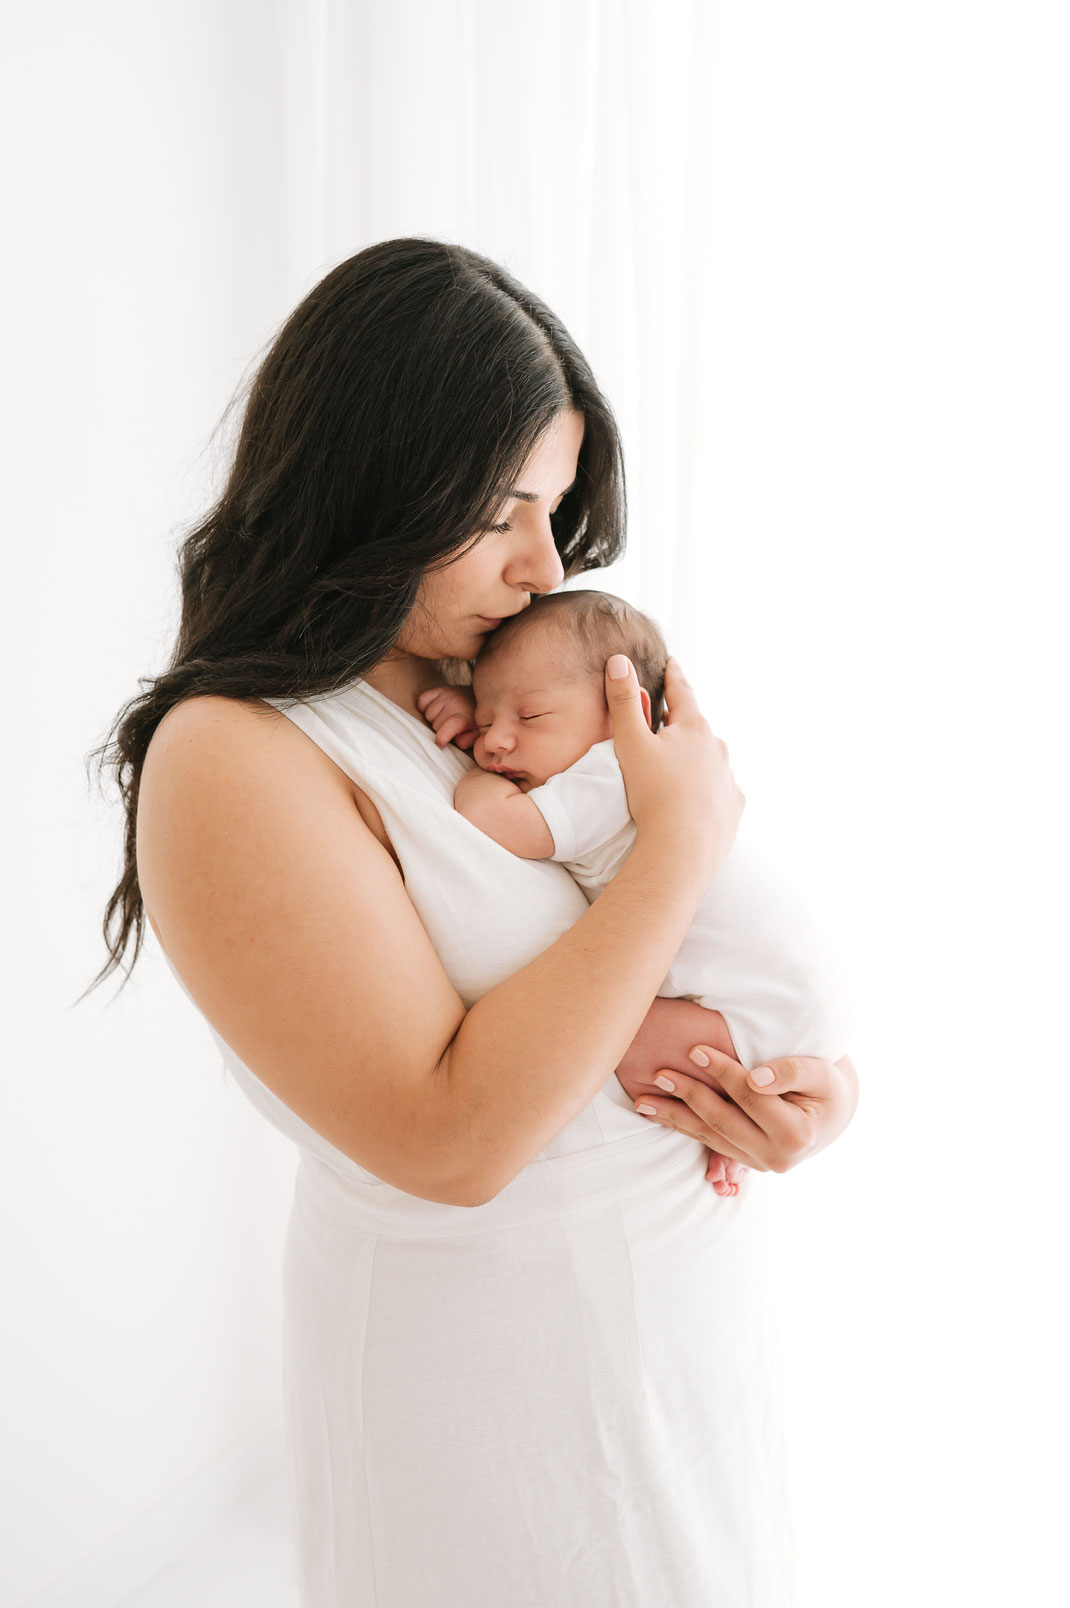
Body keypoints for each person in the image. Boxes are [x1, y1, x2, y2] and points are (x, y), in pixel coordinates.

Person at [92, 238, 858, 1607]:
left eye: (555, 513)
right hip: (484, 1408)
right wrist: (681, 839)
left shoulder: (495, 682)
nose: (540, 563)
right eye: (500, 510)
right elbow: (449, 1137)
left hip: (678, 1361)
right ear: (372, 480)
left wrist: (800, 1084)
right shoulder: (234, 755)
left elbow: (694, 943)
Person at [416, 587, 853, 1198]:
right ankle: (723, 1129)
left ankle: (718, 1127)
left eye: (531, 717)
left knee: (620, 1039)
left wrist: (478, 776)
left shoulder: (611, 770)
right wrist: (499, 719)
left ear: (626, 712)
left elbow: (499, 822)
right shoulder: (624, 766)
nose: (495, 742)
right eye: (487, 721)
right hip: (792, 1002)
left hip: (763, 1012)